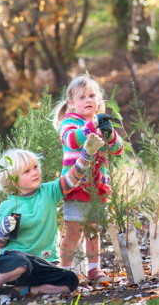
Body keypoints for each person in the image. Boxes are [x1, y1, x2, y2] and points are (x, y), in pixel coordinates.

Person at [0, 134, 105, 305]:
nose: (35, 172)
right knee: (21, 264)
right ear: (11, 179)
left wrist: (86, 154)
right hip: (13, 262)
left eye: (35, 167)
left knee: (69, 281)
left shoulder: (49, 192)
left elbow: (71, 179)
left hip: (40, 263)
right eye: (27, 171)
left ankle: (20, 291)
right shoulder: (9, 205)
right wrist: (1, 231)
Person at [52, 75, 124, 282]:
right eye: (82, 97)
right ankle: (64, 271)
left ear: (99, 100)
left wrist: (109, 134)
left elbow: (118, 150)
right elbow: (73, 141)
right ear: (71, 103)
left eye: (92, 95)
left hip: (98, 186)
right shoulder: (70, 122)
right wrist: (92, 126)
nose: (88, 100)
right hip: (76, 185)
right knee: (73, 231)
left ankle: (94, 268)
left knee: (93, 230)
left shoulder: (101, 122)